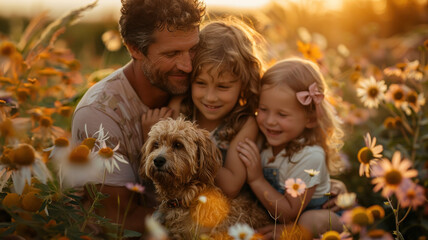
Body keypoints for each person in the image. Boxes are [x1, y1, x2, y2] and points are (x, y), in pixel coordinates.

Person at [71, 0, 205, 234]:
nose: (187, 66)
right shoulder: (99, 115)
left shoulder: (200, 87)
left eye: (192, 49)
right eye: (172, 53)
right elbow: (117, 218)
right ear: (134, 48)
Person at [237, 58, 344, 236]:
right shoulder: (263, 141)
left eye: (282, 114)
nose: (270, 121)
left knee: (308, 221)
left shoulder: (310, 156)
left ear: (309, 119)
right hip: (278, 215)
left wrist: (256, 179)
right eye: (263, 109)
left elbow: (289, 213)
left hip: (319, 218)